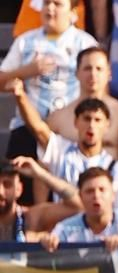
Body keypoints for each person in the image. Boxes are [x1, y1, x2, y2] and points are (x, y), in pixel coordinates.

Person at [0, 0, 98, 160]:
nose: (50, 8)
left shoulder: (86, 44)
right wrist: (27, 71)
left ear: (73, 12)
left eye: (57, 4)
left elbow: (99, 87)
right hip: (27, 128)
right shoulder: (25, 42)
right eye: (46, 3)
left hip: (68, 130)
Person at [13, 92, 118, 211]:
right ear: (76, 122)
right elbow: (38, 129)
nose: (91, 125)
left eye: (98, 120)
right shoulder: (60, 151)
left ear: (107, 125)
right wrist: (20, 95)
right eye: (86, 119)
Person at [47, 48, 118, 191]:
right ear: (77, 73)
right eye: (87, 68)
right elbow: (45, 163)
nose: (93, 74)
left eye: (99, 69)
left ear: (109, 73)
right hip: (68, 198)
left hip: (111, 195)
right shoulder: (57, 119)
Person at [41, 166, 118, 250]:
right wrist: (48, 243)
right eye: (89, 191)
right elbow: (51, 254)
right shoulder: (64, 229)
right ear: (80, 197)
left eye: (102, 189)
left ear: (113, 195)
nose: (96, 195)